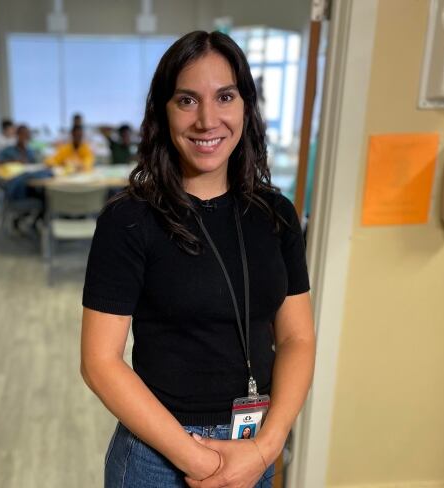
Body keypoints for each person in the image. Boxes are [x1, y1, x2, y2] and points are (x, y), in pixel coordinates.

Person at [80, 31, 316, 488]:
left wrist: (266, 447)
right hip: (159, 454)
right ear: (163, 113)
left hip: (255, 444)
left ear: (245, 105)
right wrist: (203, 463)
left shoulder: (276, 215)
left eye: (224, 96)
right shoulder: (129, 220)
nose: (208, 120)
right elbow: (99, 362)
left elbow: (297, 340)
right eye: (187, 100)